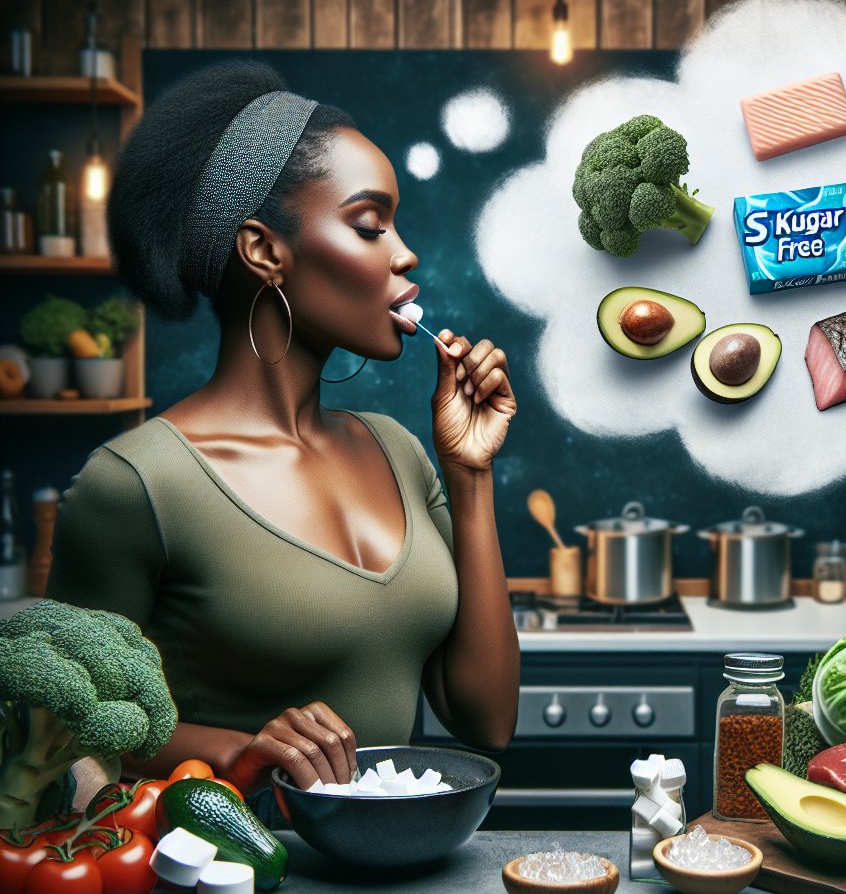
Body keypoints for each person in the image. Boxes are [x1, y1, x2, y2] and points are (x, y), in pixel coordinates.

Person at [46, 60, 520, 802]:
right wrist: (232, 752)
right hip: (227, 891)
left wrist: (471, 475)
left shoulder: (400, 451)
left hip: (402, 887)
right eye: (370, 224)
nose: (405, 254)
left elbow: (486, 720)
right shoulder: (135, 485)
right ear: (265, 251)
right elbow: (61, 725)